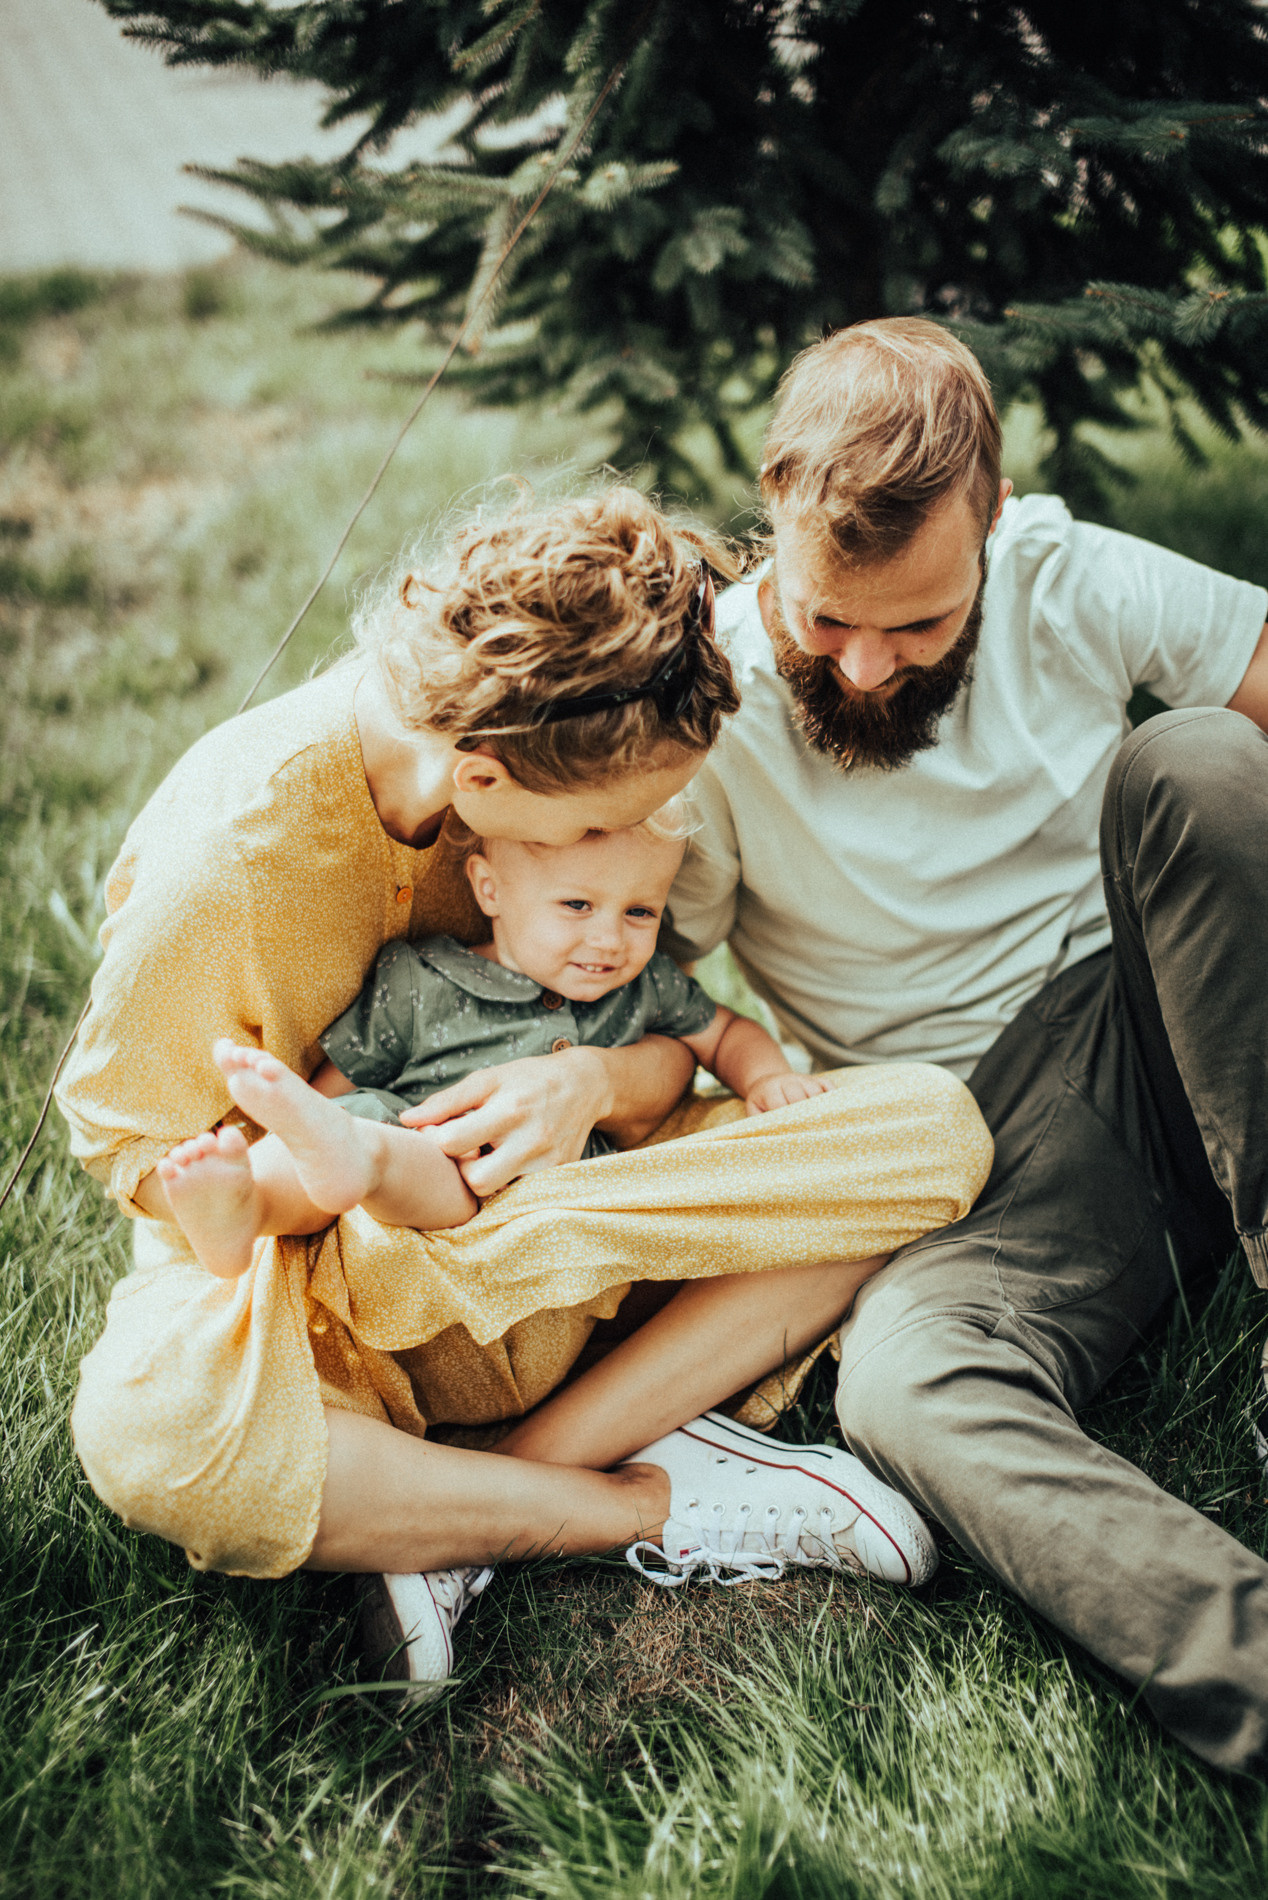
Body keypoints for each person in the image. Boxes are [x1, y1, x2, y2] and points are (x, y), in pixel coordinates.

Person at [57, 486, 993, 1698]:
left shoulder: (547, 757)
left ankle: (466, 1499)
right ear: (483, 793)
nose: (641, 833)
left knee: (923, 1134)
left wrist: (587, 1081)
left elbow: (660, 1028)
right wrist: (347, 1179)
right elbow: (136, 1149)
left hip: (581, 1202)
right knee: (156, 1435)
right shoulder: (233, 860)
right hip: (363, 1270)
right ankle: (634, 1499)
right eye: (612, 819)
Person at [663, 317, 1268, 1774]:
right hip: (961, 1161)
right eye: (827, 619)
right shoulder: (711, 701)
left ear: (990, 521)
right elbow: (645, 988)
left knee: (1195, 762)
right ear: (775, 522)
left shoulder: (1071, 577)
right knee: (898, 1389)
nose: (866, 669)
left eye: (920, 626)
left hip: (1169, 1016)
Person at [158, 815, 835, 1279]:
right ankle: (247, 1206)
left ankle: (324, 1166)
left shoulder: (643, 987)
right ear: (491, 889)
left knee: (364, 1139)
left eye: (640, 912)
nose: (609, 938)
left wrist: (766, 1076)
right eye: (577, 906)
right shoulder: (421, 979)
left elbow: (725, 1033)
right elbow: (340, 1081)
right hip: (434, 1172)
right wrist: (302, 1113)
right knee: (356, 1124)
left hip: (533, 1197)